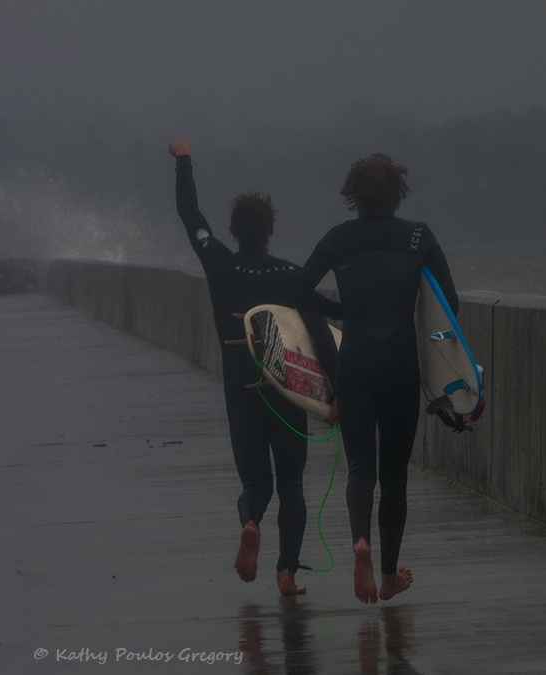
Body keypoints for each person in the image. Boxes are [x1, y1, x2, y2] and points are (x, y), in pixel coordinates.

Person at [168, 138, 340, 596]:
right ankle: (286, 572)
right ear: (270, 230)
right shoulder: (290, 274)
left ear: (233, 230)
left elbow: (190, 215)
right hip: (286, 388)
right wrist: (335, 391)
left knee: (256, 482)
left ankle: (250, 521)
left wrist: (184, 160)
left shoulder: (220, 265)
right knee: (292, 482)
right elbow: (319, 334)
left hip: (241, 389)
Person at [294, 153, 458, 604]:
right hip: (402, 365)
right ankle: (387, 575)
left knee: (361, 466)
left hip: (357, 364)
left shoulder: (338, 238)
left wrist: (343, 312)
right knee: (395, 475)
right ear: (396, 192)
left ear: (354, 195)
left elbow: (297, 291)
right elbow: (450, 305)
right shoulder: (419, 236)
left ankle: (359, 544)